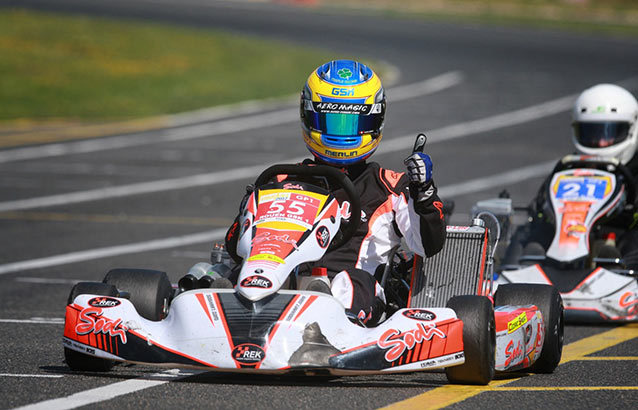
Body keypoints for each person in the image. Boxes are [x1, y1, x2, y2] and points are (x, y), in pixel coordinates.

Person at [225, 59, 446, 326]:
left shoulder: (389, 187)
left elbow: (426, 246)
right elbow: (236, 246)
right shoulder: (283, 180)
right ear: (310, 117)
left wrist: (423, 192)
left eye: (350, 124)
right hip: (283, 283)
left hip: (354, 290)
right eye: (331, 122)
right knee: (231, 274)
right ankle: (227, 309)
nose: (341, 135)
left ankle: (328, 319)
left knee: (347, 286)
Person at [509, 83, 638, 268]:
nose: (600, 141)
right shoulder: (566, 170)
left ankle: (624, 278)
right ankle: (512, 278)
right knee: (530, 233)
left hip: (620, 245)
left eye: (609, 133)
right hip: (565, 242)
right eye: (591, 133)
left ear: (632, 130)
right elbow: (539, 210)